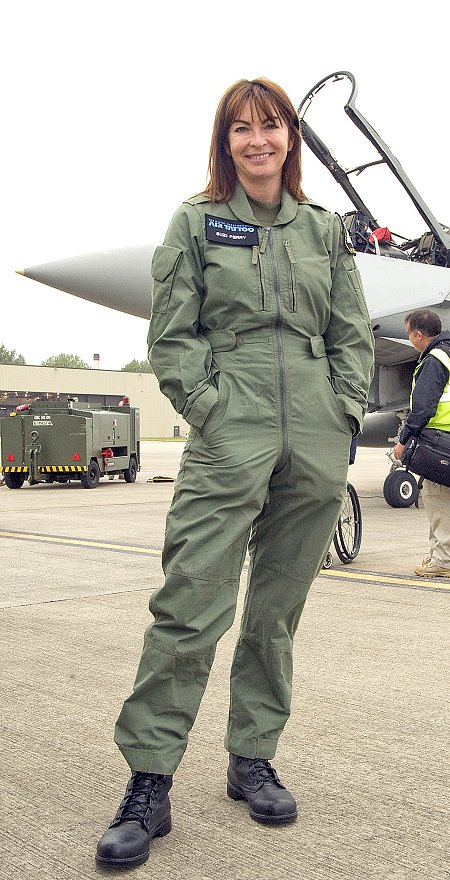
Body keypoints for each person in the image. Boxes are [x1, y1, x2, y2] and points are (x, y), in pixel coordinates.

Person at [96, 77, 374, 869]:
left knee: (276, 611)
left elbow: (350, 330)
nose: (259, 140)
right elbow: (173, 333)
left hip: (314, 431)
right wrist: (213, 409)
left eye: (272, 125)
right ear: (226, 141)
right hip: (231, 424)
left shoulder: (324, 230)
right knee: (190, 605)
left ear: (291, 137)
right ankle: (149, 780)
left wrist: (343, 413)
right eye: (242, 128)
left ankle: (251, 756)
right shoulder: (196, 219)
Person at [393, 309, 450, 577]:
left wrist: (404, 440)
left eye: (409, 333)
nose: (409, 339)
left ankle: (442, 561)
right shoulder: (447, 353)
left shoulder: (434, 360)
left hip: (439, 441)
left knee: (437, 499)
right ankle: (438, 555)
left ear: (418, 334)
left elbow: (424, 406)